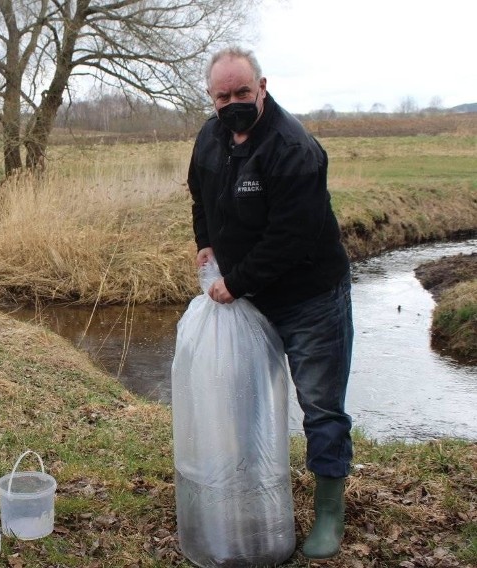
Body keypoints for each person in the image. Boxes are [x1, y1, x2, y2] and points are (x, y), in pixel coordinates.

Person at [187, 47, 354, 560]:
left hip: (310, 299)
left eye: (242, 92)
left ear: (262, 87)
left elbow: (292, 236)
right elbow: (201, 196)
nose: (233, 102)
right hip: (250, 299)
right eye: (223, 96)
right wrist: (205, 243)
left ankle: (329, 510)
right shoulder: (211, 138)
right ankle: (249, 487)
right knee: (244, 398)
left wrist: (235, 281)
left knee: (320, 405)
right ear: (211, 98)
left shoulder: (293, 148)